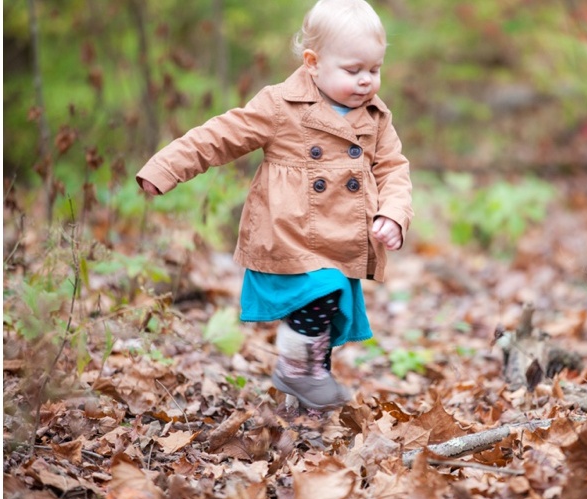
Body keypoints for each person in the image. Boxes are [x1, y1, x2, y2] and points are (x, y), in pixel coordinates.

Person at [135, 0, 412, 410]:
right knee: (322, 292)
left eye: (374, 70)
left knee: (326, 318)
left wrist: (393, 213)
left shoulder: (376, 117)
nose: (366, 81)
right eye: (353, 71)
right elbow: (221, 135)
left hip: (341, 238)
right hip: (289, 233)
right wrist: (164, 168)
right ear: (313, 63)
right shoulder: (281, 105)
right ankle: (296, 371)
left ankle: (304, 403)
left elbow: (393, 169)